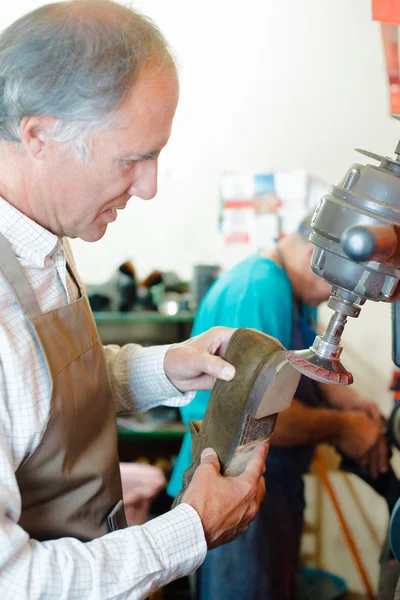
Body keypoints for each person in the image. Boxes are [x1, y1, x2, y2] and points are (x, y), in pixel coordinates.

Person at [0, 2, 269, 598]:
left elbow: (42, 397)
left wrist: (164, 367)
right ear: (38, 135)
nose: (148, 187)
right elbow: (13, 580)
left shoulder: (42, 241)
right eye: (134, 159)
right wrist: (189, 530)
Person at [168, 213, 389, 600]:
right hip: (228, 486)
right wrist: (342, 428)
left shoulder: (295, 293)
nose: (337, 301)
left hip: (272, 487)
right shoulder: (260, 289)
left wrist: (348, 400)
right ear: (314, 257)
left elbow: (300, 365)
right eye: (338, 288)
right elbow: (254, 421)